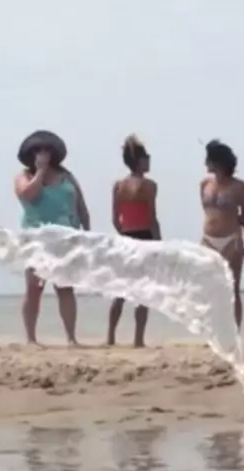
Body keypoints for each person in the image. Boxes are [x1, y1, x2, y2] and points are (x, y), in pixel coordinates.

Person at [14, 130, 91, 347]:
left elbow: (81, 207)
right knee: (34, 288)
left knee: (65, 288)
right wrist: (40, 172)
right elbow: (26, 195)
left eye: (47, 150)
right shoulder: (24, 176)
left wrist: (85, 234)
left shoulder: (67, 177)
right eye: (38, 150)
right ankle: (31, 338)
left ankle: (71, 337)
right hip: (36, 239)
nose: (43, 153)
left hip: (66, 237)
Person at [107, 135, 160, 347]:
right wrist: (158, 243)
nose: (149, 161)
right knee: (143, 292)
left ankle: (110, 336)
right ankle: (138, 339)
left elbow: (114, 218)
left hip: (125, 237)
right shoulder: (149, 185)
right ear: (138, 161)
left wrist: (123, 233)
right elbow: (151, 218)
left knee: (120, 290)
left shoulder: (118, 186)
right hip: (144, 236)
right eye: (146, 157)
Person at [199, 139, 244, 327]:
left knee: (232, 288)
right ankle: (214, 328)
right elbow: (207, 211)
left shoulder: (239, 187)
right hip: (208, 240)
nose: (205, 163)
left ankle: (234, 333)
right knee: (210, 288)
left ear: (218, 162)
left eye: (209, 159)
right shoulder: (205, 184)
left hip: (231, 239)